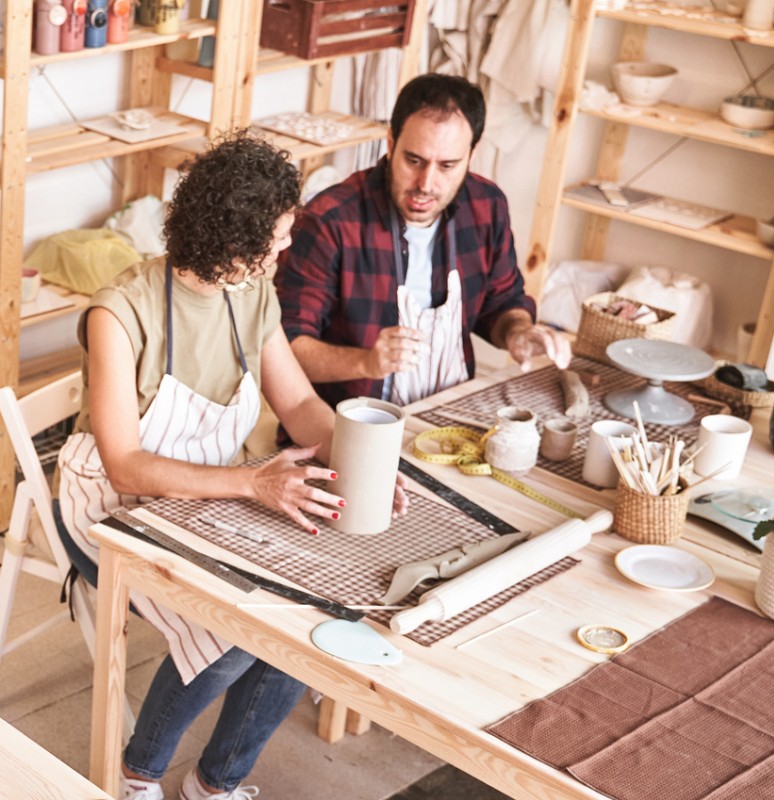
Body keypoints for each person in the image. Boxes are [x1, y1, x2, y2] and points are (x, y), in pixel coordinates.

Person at [56, 136, 398, 800]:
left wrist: (366, 464)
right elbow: (125, 466)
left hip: (209, 490)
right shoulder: (119, 314)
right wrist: (251, 482)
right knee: (232, 629)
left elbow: (298, 404)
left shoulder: (253, 293)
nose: (286, 249)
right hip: (108, 504)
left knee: (318, 612)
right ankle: (138, 773)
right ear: (237, 244)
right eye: (279, 237)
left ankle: (215, 784)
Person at [277, 74, 570, 409]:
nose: (426, 184)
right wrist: (366, 362)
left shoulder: (487, 206)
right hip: (349, 424)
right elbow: (287, 348)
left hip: (449, 414)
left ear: (471, 155)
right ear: (390, 144)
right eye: (413, 161)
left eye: (447, 165)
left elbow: (502, 302)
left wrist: (519, 333)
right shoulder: (330, 220)